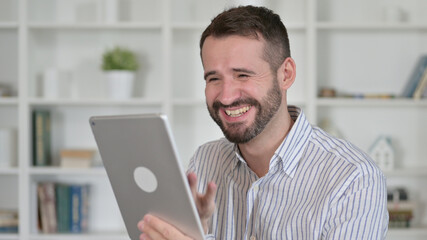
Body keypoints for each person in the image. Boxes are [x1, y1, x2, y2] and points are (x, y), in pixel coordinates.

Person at [138, 5, 389, 240]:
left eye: (243, 75)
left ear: (286, 74)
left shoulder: (354, 179)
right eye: (214, 78)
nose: (226, 96)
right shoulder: (204, 162)